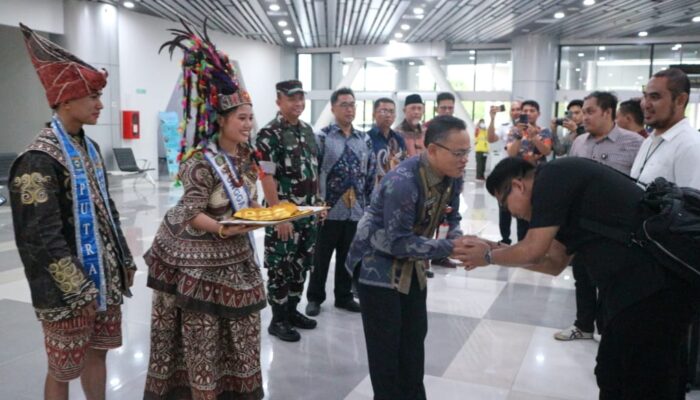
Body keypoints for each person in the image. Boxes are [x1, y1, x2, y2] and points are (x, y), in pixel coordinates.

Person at [457, 156, 692, 399]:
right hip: (630, 291)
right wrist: (493, 247)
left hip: (656, 288)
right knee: (612, 373)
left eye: (504, 205)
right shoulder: (557, 192)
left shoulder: (551, 178)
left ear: (518, 186)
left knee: (645, 380)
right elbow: (553, 263)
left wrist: (488, 256)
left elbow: (533, 249)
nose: (510, 213)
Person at [9, 23, 136, 400]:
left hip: (104, 280)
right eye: (93, 96)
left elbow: (106, 209)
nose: (100, 104)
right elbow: (40, 238)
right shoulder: (38, 159)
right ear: (65, 101)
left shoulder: (90, 148)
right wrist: (77, 288)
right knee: (63, 367)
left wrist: (124, 259)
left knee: (98, 353)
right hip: (68, 290)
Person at [143, 22, 266, 399]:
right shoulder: (200, 162)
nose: (247, 124)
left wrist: (260, 212)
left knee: (242, 336)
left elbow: (247, 202)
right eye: (241, 118)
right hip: (197, 263)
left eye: (249, 117)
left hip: (236, 256)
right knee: (202, 340)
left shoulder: (245, 156)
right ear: (222, 122)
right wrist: (220, 229)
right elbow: (186, 212)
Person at [346, 116, 471, 400]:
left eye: (467, 152)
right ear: (433, 149)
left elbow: (454, 215)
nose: (465, 159)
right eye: (459, 153)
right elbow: (398, 243)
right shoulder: (403, 182)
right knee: (386, 353)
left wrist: (455, 235)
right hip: (375, 267)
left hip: (411, 266)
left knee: (413, 343)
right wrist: (449, 248)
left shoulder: (453, 175)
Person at [554, 91, 642, 342]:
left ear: (608, 112)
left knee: (611, 281)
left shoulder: (633, 142)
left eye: (590, 111)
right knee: (582, 276)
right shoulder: (580, 142)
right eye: (582, 111)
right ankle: (583, 325)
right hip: (582, 223)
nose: (583, 116)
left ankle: (608, 329)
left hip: (615, 227)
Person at [256, 80, 323, 342]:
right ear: (279, 101)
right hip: (284, 216)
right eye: (292, 99)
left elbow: (313, 171)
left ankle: (293, 311)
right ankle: (278, 319)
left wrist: (318, 205)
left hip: (307, 215)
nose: (298, 104)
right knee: (280, 267)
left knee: (301, 265)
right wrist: (279, 216)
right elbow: (266, 177)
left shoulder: (307, 131)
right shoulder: (268, 133)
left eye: (301, 98)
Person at [306, 87, 376, 316]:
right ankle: (315, 298)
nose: (349, 109)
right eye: (344, 104)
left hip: (355, 210)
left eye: (352, 104)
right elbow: (314, 173)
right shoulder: (322, 137)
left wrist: (368, 207)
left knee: (349, 256)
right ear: (333, 108)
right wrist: (317, 205)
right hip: (328, 210)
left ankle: (344, 296)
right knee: (321, 258)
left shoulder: (364, 139)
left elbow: (370, 173)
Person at [630, 68, 700, 189]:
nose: (645, 104)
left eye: (655, 97)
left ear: (680, 100)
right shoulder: (650, 141)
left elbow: (692, 205)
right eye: (645, 96)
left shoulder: (691, 146)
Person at [505, 99, 552, 241]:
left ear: (538, 114)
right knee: (522, 212)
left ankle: (537, 245)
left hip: (539, 176)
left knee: (539, 211)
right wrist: (520, 135)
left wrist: (533, 137)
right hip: (520, 178)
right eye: (525, 111)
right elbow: (511, 153)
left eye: (532, 111)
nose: (528, 113)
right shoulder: (514, 131)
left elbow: (546, 151)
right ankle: (522, 244)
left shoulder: (544, 131)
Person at [487, 101, 522, 245]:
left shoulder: (530, 129)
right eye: (513, 109)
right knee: (504, 206)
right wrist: (492, 118)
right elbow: (490, 138)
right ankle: (505, 239)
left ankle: (523, 241)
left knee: (523, 207)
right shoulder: (505, 127)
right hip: (506, 171)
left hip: (523, 171)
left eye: (518, 109)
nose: (516, 112)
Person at [368, 97, 406, 186]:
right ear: (374, 114)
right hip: (374, 188)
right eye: (383, 111)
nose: (388, 115)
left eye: (391, 111)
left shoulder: (399, 139)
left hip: (396, 187)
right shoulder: (366, 139)